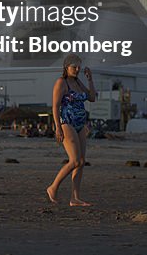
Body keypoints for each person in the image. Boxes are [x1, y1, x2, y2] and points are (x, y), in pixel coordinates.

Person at [46, 54, 96, 207]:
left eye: (79, 67)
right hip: (67, 123)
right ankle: (53, 187)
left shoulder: (78, 82)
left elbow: (92, 98)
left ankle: (75, 198)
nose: (77, 69)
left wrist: (89, 79)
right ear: (66, 67)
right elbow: (55, 106)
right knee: (75, 160)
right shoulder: (61, 82)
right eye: (74, 67)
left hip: (81, 124)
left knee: (81, 162)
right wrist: (57, 127)